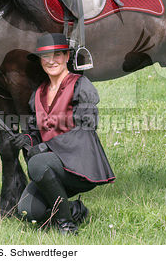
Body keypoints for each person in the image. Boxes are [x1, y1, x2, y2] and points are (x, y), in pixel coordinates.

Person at [11, 33, 115, 235]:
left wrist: (46, 147)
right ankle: (75, 210)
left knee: (37, 163)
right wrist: (28, 140)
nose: (51, 61)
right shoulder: (39, 93)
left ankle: (66, 225)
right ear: (40, 61)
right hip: (54, 166)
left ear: (67, 56)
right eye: (45, 56)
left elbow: (86, 127)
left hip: (79, 163)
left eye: (57, 54)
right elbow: (36, 132)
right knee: (27, 210)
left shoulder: (80, 85)